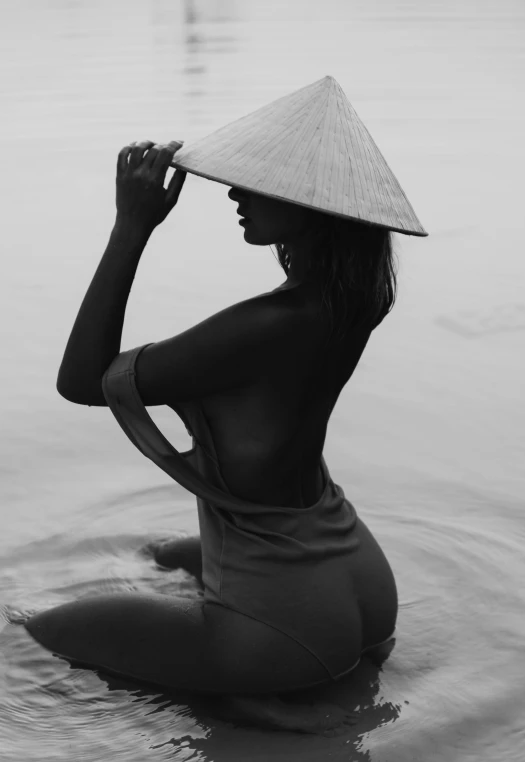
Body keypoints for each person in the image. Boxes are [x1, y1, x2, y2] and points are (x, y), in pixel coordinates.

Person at [24, 77, 427, 734]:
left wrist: (132, 225)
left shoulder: (264, 328)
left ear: (313, 205)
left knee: (32, 626)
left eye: (257, 182)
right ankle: (277, 686)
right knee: (161, 553)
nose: (235, 193)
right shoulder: (354, 300)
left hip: (284, 620)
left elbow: (80, 380)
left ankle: (247, 702)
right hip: (354, 573)